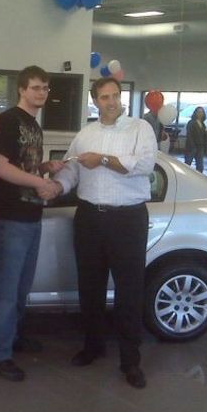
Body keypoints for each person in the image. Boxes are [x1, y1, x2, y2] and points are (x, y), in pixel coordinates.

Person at [51, 77, 157, 389]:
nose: (111, 102)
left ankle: (130, 361)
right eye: (104, 97)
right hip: (89, 219)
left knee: (129, 290)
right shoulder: (85, 135)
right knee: (90, 287)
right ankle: (93, 346)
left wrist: (105, 161)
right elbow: (72, 170)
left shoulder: (140, 129)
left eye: (115, 96)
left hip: (127, 219)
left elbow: (145, 165)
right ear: (95, 101)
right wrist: (56, 183)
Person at [0, 65, 63, 382]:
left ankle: (13, 337)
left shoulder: (34, 125)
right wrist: (38, 182)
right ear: (21, 89)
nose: (41, 93)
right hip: (10, 217)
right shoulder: (8, 121)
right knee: (4, 289)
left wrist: (45, 167)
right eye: (35, 88)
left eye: (45, 88)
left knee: (21, 287)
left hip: (32, 216)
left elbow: (22, 164)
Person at [184, 107, 207, 173]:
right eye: (198, 112)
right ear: (195, 113)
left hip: (200, 147)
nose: (200, 114)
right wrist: (192, 146)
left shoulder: (203, 124)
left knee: (200, 166)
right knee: (187, 164)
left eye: (201, 112)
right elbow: (189, 135)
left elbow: (204, 136)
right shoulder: (191, 122)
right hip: (192, 147)